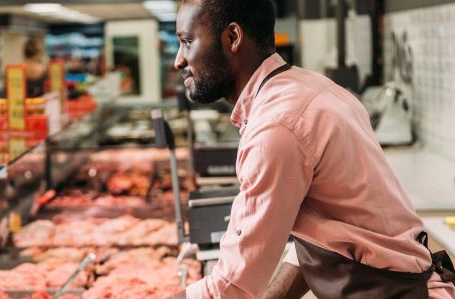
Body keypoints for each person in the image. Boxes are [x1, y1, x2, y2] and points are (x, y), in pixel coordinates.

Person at [170, 0, 455, 298]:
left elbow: (230, 288)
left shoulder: (277, 125)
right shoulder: (314, 89)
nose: (179, 60)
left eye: (187, 42)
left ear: (232, 37)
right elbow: (327, 231)